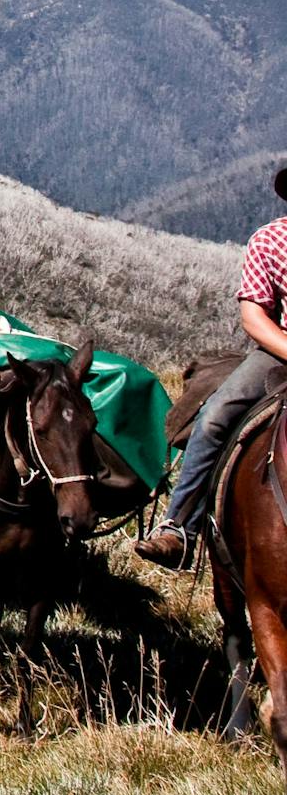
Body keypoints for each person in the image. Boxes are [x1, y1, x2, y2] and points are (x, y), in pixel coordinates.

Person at [136, 167, 287, 570]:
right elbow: (255, 318)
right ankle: (179, 526)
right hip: (280, 350)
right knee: (216, 416)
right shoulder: (270, 240)